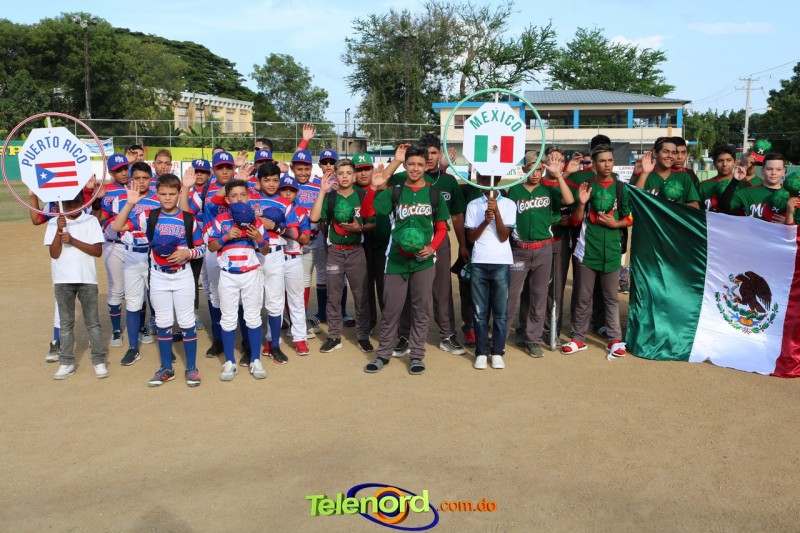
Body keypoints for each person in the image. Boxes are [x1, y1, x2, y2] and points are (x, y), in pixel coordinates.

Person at [360, 147, 450, 375]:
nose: (415, 168)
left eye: (420, 164)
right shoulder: (395, 193)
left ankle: (417, 355)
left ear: (426, 166)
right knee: (392, 308)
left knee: (421, 309)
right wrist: (373, 188)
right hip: (396, 260)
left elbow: (441, 228)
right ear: (405, 165)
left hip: (423, 261)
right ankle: (383, 354)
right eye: (411, 164)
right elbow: (367, 212)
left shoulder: (434, 194)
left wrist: (432, 247)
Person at [386, 135, 467, 357]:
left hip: (437, 243)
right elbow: (380, 183)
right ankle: (404, 336)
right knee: (409, 291)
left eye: (433, 153)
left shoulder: (448, 181)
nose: (429, 157)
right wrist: (397, 161)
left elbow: (457, 216)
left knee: (442, 289)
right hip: (407, 245)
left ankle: (447, 335)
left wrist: (462, 244)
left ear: (439, 154)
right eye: (426, 153)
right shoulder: (403, 177)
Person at [136, 174, 206, 387]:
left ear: (178, 194)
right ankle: (166, 368)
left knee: (186, 322)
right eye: (163, 193)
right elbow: (121, 227)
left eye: (172, 194)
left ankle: (191, 368)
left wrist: (187, 253)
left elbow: (202, 248)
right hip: (158, 275)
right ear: (156, 194)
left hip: (183, 275)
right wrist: (130, 204)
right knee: (163, 322)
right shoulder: (148, 216)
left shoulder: (188, 218)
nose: (167, 198)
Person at [563, 144, 632, 360]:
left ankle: (614, 340)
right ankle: (578, 338)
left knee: (611, 298)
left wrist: (616, 224)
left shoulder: (621, 188)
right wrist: (581, 203)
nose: (607, 164)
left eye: (610, 160)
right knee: (583, 297)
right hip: (587, 250)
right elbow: (576, 220)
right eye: (602, 161)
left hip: (611, 251)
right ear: (594, 163)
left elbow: (629, 218)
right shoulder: (587, 186)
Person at [506, 151, 574, 358]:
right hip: (520, 250)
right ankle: (502, 335)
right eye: (530, 169)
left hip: (543, 249)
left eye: (538, 169)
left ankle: (533, 339)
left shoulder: (548, 189)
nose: (535, 174)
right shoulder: (515, 191)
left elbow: (569, 200)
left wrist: (559, 175)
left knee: (539, 295)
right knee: (511, 294)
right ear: (524, 170)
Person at [309, 158, 374, 353]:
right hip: (335, 252)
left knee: (361, 296)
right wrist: (322, 191)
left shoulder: (362, 196)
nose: (344, 177)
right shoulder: (330, 198)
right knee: (333, 296)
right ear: (335, 176)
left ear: (354, 176)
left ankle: (363, 336)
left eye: (348, 173)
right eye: (340, 173)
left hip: (356, 251)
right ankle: (334, 336)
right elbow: (314, 217)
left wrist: (359, 228)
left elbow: (372, 222)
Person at [207, 179, 269, 381]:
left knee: (253, 317)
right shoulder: (222, 219)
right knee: (228, 318)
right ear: (227, 199)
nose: (239, 198)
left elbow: (266, 250)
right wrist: (226, 237)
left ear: (249, 197)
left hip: (251, 274)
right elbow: (211, 247)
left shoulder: (256, 221)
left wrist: (258, 237)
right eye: (234, 196)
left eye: (243, 195)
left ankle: (255, 359)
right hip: (228, 275)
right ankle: (230, 362)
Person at [45, 192, 106, 380]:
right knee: (66, 324)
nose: (72, 207)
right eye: (68, 203)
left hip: (87, 279)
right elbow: (54, 254)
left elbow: (97, 251)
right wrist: (59, 231)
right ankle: (66, 362)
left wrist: (72, 241)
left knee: (93, 322)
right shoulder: (54, 222)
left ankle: (98, 360)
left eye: (76, 202)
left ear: (83, 202)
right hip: (62, 280)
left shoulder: (90, 221)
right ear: (62, 204)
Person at [110, 162, 161, 365]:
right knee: (133, 302)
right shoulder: (122, 199)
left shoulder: (158, 198)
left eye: (145, 178)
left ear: (151, 179)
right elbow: (117, 226)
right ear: (131, 178)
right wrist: (130, 203)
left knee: (158, 300)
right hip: (131, 254)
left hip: (153, 254)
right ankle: (133, 348)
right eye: (137, 178)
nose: (141, 181)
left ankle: (164, 345)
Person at [248, 161, 300, 363]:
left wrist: (275, 227)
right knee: (251, 301)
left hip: (275, 254)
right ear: (259, 181)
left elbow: (294, 233)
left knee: (275, 301)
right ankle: (249, 347)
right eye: (266, 180)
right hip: (252, 252)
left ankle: (275, 345)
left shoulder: (285, 203)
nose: (271, 184)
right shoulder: (249, 198)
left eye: (275, 180)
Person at [465, 173, 517, 370]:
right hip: (479, 261)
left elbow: (504, 237)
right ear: (479, 181)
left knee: (500, 313)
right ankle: (481, 352)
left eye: (491, 179)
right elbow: (471, 238)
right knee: (479, 312)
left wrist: (497, 214)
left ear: (499, 179)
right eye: (483, 179)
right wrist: (485, 221)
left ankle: (497, 352)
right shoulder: (473, 205)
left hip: (501, 263)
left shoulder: (509, 204)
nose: (487, 183)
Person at [94, 154, 130, 348]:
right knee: (116, 288)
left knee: (138, 290)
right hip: (114, 244)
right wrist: (97, 200)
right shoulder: (105, 190)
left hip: (136, 245)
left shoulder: (136, 186)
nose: (123, 172)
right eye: (118, 170)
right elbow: (96, 217)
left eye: (125, 168)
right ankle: (116, 329)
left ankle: (140, 327)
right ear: (110, 172)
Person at [353, 153, 388, 332]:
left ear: (372, 169)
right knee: (364, 287)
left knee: (384, 286)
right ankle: (368, 322)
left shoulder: (383, 187)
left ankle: (389, 323)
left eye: (367, 169)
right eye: (359, 170)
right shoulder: (350, 190)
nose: (363, 173)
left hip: (382, 245)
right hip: (360, 246)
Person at [278, 175, 312, 355]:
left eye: (291, 190)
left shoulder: (301, 211)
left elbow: (305, 238)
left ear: (297, 192)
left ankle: (300, 338)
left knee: (296, 300)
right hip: (275, 258)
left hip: (293, 258)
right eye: (283, 189)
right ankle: (273, 340)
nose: (287, 193)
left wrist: (283, 230)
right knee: (274, 302)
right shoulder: (272, 207)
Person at [719, 152, 788, 222]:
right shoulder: (748, 192)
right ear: (762, 171)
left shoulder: (790, 195)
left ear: (784, 172)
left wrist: (790, 222)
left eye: (778, 169)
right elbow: (724, 206)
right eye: (769, 169)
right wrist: (735, 180)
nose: (773, 173)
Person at [635, 137, 701, 208]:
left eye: (673, 153)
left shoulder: (683, 177)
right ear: (655, 153)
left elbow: (696, 205)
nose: (670, 156)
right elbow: (635, 201)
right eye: (665, 151)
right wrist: (644, 173)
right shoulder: (645, 176)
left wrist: (670, 207)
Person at [699, 145, 737, 212]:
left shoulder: (744, 185)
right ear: (714, 164)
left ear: (735, 163)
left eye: (729, 160)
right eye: (720, 161)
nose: (724, 164)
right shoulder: (703, 186)